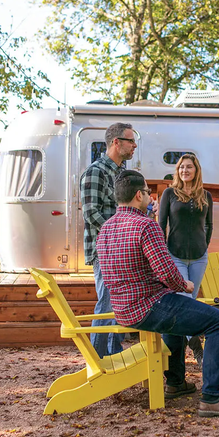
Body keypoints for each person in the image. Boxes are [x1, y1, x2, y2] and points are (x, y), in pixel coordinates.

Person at [97, 170, 219, 417]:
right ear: (139, 195)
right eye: (147, 192)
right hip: (149, 306)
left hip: (124, 309)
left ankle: (176, 382)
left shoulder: (106, 228)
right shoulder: (146, 226)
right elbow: (166, 273)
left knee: (176, 314)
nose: (149, 196)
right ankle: (213, 396)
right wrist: (185, 285)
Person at [81, 122, 138, 357]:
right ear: (116, 142)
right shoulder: (96, 171)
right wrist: (121, 230)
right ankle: (97, 360)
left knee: (118, 305)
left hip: (120, 249)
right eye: (130, 141)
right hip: (104, 250)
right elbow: (91, 212)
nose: (134, 145)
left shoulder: (121, 173)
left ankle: (114, 355)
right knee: (106, 306)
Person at [159, 153, 213, 361]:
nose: (185, 171)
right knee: (184, 297)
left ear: (196, 170)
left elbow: (209, 225)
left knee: (191, 300)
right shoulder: (169, 194)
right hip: (175, 255)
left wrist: (204, 245)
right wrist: (164, 253)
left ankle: (187, 343)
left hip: (200, 256)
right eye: (181, 167)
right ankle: (196, 344)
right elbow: (162, 224)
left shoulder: (206, 195)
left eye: (189, 167)